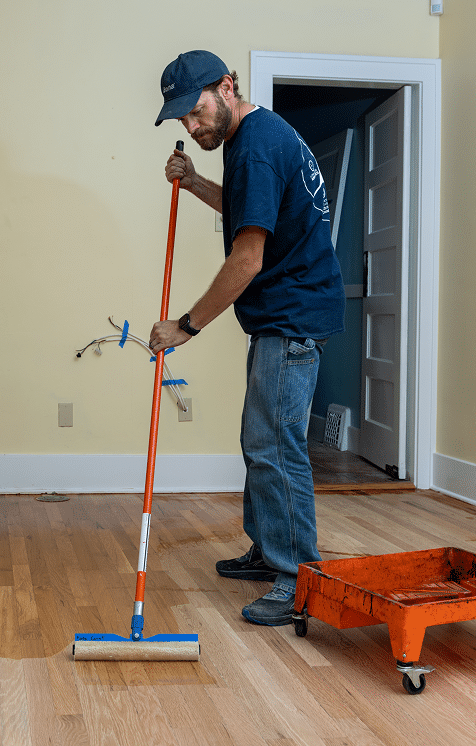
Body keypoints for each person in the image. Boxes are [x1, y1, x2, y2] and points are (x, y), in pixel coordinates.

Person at [147, 50, 345, 626]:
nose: (192, 124)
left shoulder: (256, 146)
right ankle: (268, 553)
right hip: (287, 314)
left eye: (197, 109)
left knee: (277, 448)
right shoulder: (255, 139)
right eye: (182, 118)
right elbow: (251, 211)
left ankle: (298, 579)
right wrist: (195, 183)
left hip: (291, 316)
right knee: (260, 440)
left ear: (227, 87)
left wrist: (184, 327)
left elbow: (248, 257)